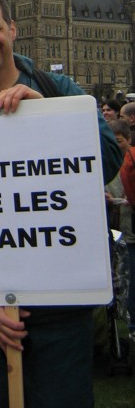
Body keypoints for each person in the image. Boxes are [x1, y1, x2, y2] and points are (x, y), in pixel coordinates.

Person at [0, 0, 122, 408]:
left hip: (59, 301)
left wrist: (49, 113)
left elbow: (108, 158)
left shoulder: (57, 88)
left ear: (13, 30)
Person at [105, 119, 135, 342]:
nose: (117, 146)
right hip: (114, 228)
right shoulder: (107, 162)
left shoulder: (130, 161)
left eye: (120, 142)